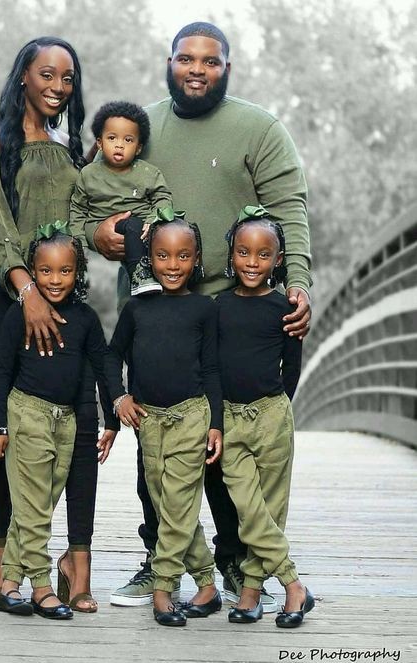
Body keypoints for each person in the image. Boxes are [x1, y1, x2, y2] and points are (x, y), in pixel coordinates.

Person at [83, 22, 312, 611]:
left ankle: (238, 563)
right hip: (156, 309)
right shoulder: (140, 125)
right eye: (186, 59)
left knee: (223, 438)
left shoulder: (260, 128)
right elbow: (91, 197)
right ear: (170, 62)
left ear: (226, 69)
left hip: (234, 310)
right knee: (157, 440)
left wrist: (300, 286)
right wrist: (95, 235)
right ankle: (159, 557)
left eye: (210, 62)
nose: (197, 69)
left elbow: (289, 210)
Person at [0, 36, 110, 611]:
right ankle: (2, 553)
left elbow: (78, 220)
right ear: (23, 75)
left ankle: (68, 556)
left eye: (67, 78)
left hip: (57, 292)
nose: (57, 86)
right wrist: (27, 295)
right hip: (2, 295)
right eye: (47, 74)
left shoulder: (72, 153)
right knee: (6, 422)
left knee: (68, 414)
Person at [0, 225, 117, 619]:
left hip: (67, 422)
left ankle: (10, 584)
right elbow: (0, 372)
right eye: (45, 271)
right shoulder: (16, 316)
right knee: (33, 508)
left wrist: (113, 418)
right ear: (33, 271)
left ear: (78, 273)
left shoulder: (86, 319)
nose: (55, 279)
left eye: (64, 271)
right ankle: (42, 587)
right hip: (27, 414)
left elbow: (103, 366)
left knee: (38, 501)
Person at [107, 216, 223, 627]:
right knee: (165, 502)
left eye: (183, 256)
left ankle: (162, 586)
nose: (172, 264)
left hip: (192, 414)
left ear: (196, 260)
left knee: (178, 502)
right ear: (151, 259)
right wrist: (119, 397)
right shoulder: (136, 308)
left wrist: (216, 423)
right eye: (163, 255)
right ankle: (207, 584)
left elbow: (211, 369)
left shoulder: (204, 309)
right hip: (149, 420)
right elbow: (110, 356)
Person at [218, 205, 313, 628]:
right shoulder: (217, 307)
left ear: (278, 260)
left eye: (262, 255)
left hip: (272, 416)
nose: (251, 262)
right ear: (232, 254)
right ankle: (294, 585)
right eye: (243, 252)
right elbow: (209, 367)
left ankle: (252, 591)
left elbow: (291, 368)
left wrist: (279, 408)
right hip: (230, 420)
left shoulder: (284, 309)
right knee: (248, 508)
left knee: (270, 509)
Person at [69, 100, 172, 296]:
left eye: (128, 140)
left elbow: (162, 196)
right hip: (104, 225)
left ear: (139, 147)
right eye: (112, 138)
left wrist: (153, 220)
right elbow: (78, 210)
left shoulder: (148, 173)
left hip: (140, 228)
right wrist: (80, 246)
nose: (119, 145)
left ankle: (141, 276)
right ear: (99, 143)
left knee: (134, 225)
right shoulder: (88, 174)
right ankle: (82, 280)